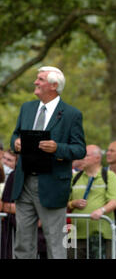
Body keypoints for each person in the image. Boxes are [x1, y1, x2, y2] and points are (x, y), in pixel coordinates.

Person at [10, 66, 86, 259]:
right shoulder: (27, 108)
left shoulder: (71, 114)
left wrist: (57, 148)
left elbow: (80, 149)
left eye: (40, 79)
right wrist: (16, 143)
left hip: (52, 185)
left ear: (54, 85)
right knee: (22, 243)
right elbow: (15, 134)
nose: (36, 82)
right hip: (24, 181)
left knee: (55, 243)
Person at [67, 145, 116, 259]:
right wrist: (73, 203)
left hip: (101, 235)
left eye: (86, 155)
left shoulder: (109, 176)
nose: (82, 158)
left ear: (97, 158)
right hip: (75, 234)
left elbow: (115, 201)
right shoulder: (75, 177)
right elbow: (64, 202)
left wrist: (101, 210)